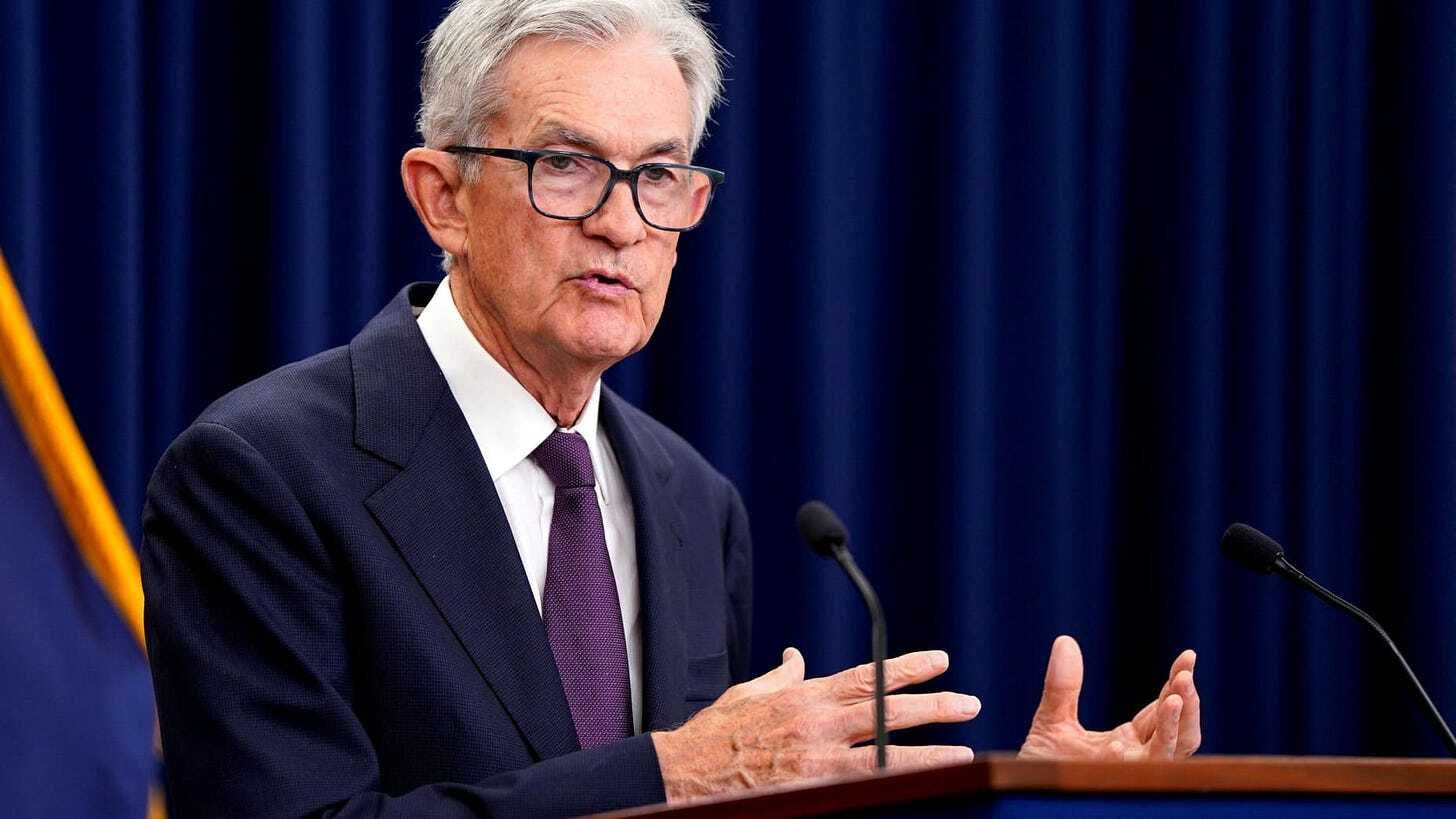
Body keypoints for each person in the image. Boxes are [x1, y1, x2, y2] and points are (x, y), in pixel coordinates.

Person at [140, 1, 1201, 816]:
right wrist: (671, 773)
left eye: (660, 175)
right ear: (442, 197)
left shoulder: (691, 498)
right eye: (565, 166)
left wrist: (1019, 799)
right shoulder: (260, 473)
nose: (621, 224)